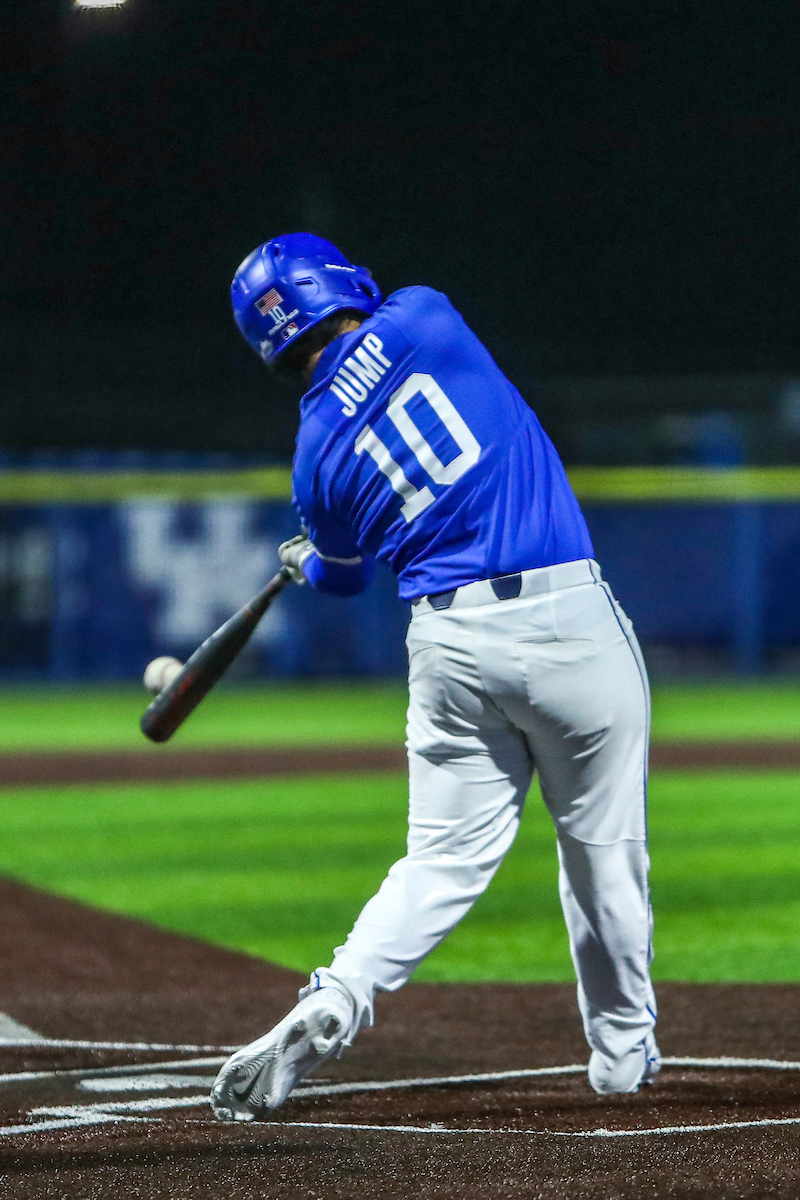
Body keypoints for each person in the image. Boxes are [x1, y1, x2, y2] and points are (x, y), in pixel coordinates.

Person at [211, 233, 659, 1121]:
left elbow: (344, 575)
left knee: (438, 861)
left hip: (450, 647)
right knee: (602, 853)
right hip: (566, 617)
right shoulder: (424, 313)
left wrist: (312, 556)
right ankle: (620, 1058)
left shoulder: (313, 458)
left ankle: (336, 995)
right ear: (333, 281)